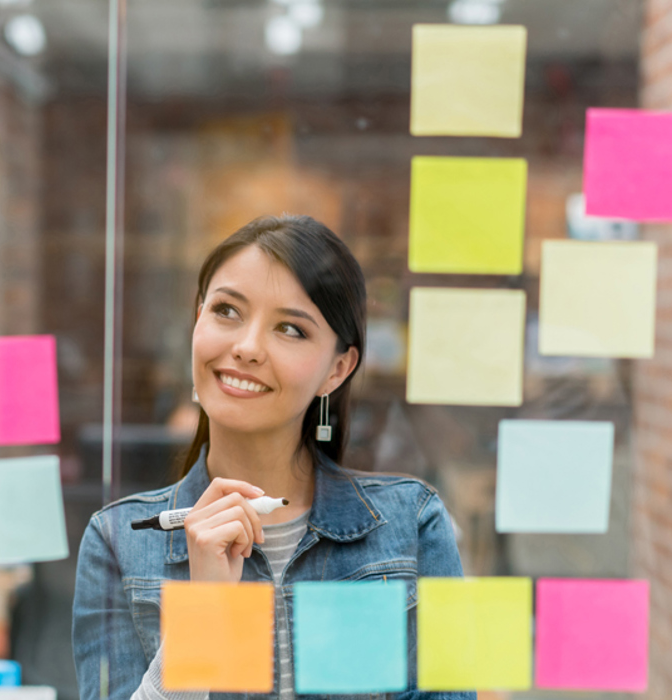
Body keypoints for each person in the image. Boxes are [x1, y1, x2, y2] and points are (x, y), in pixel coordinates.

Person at [71, 215, 473, 700]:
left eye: (289, 329)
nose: (245, 347)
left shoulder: (410, 525)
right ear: (197, 320)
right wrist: (206, 611)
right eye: (226, 311)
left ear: (338, 369)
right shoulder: (120, 542)